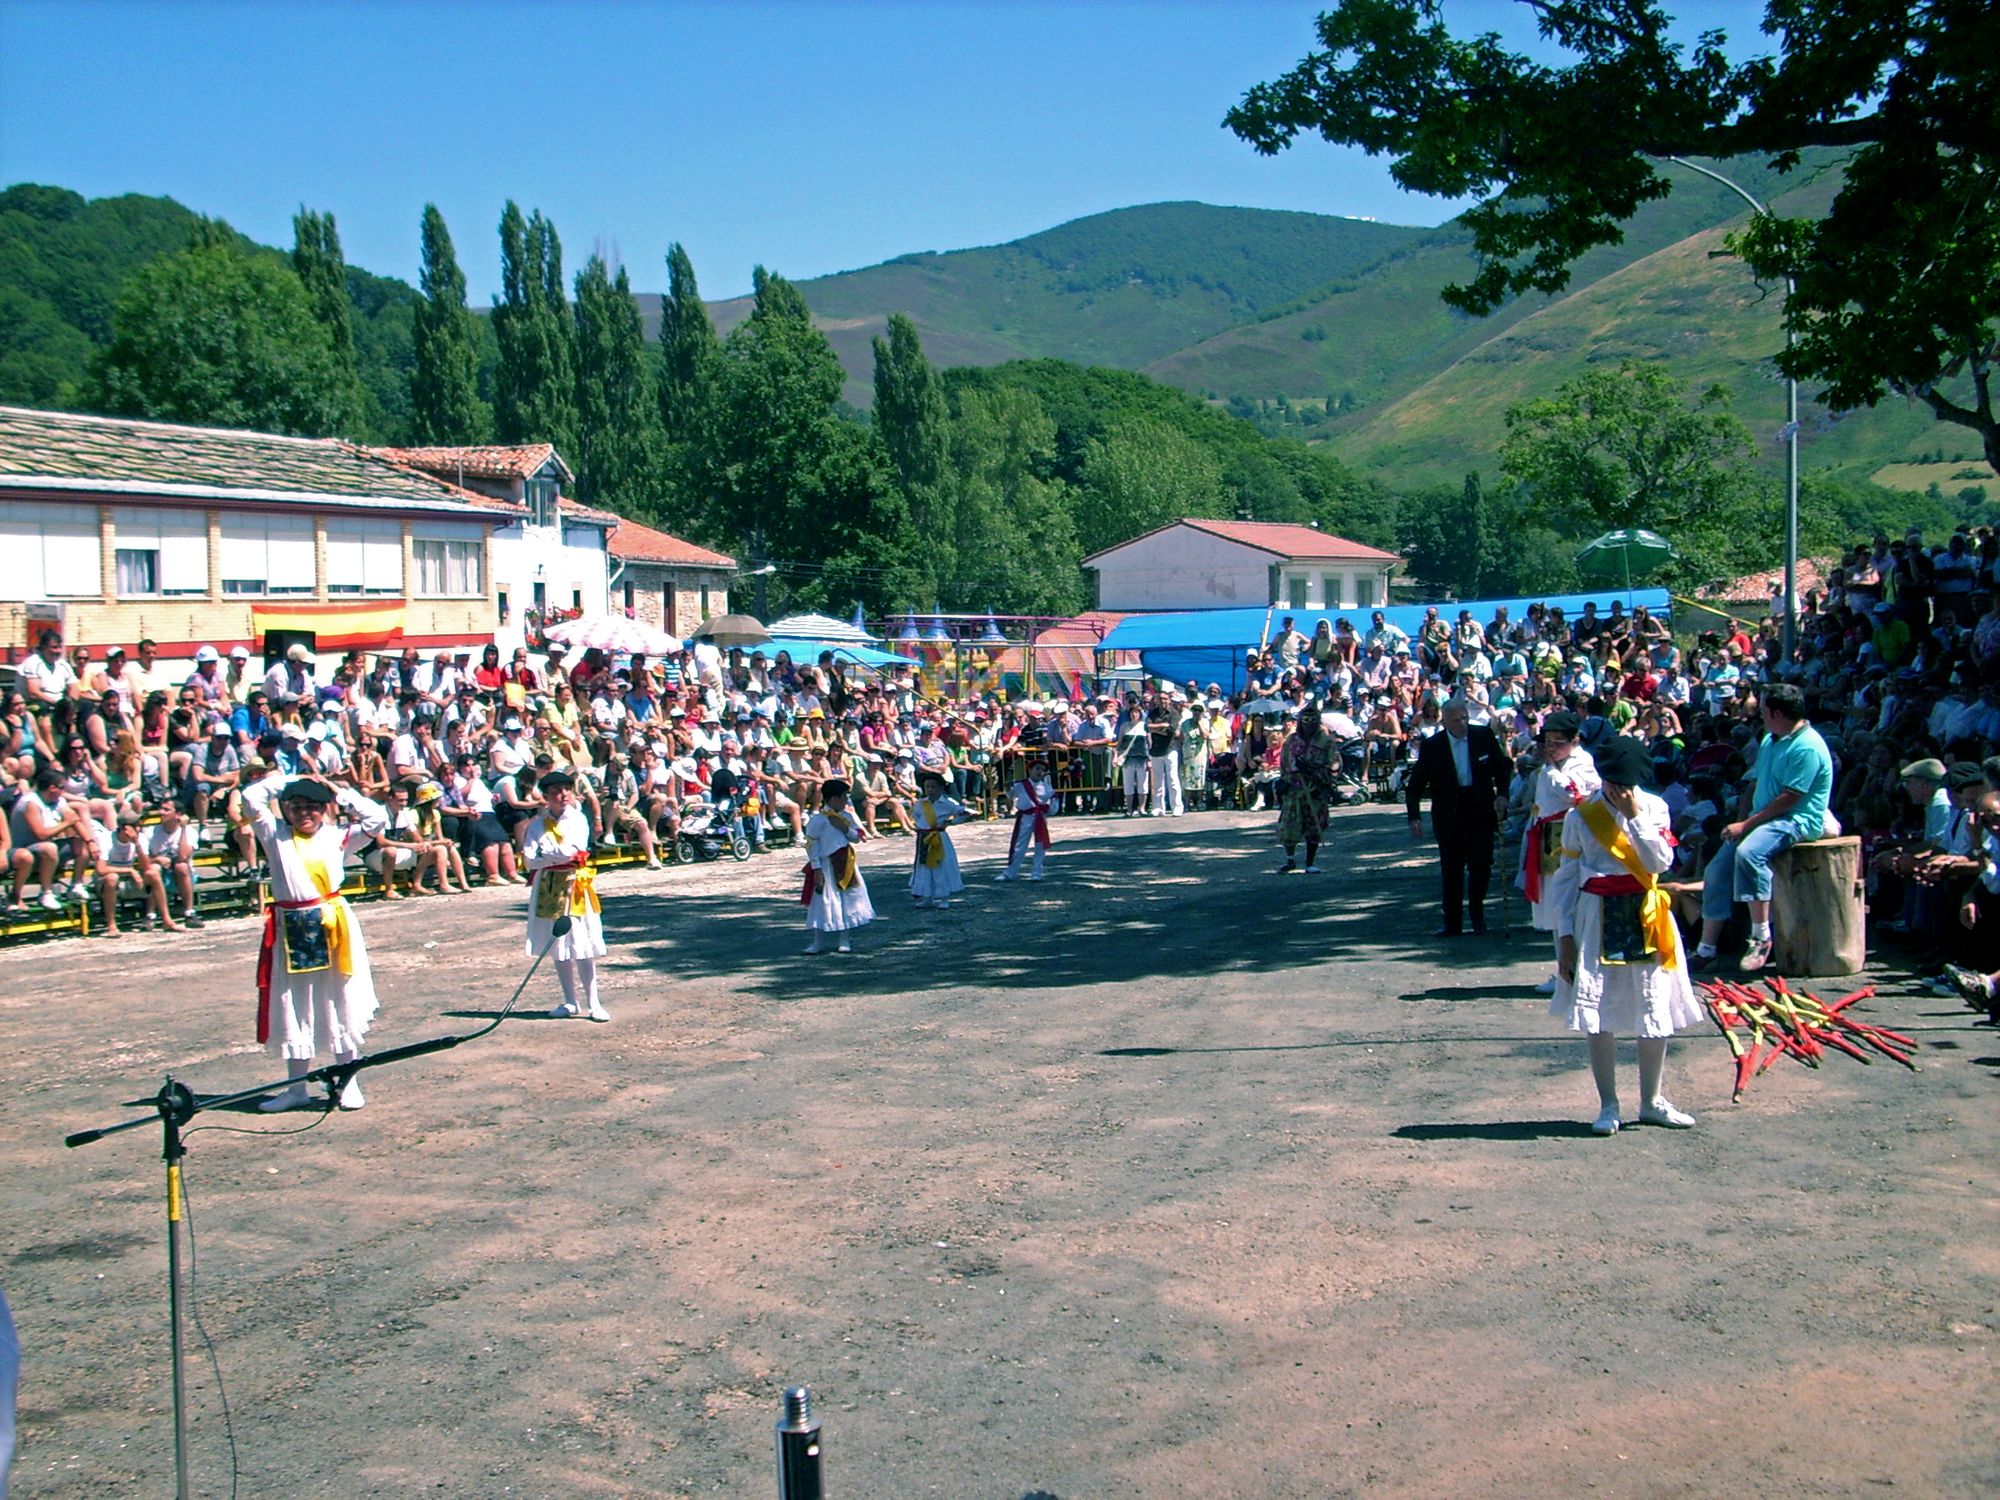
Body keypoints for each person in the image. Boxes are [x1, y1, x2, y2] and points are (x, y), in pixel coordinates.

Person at [1548, 736, 1701, 1135]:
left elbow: (1660, 862)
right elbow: (1565, 880)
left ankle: (1652, 1100)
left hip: (1646, 915)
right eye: (1613, 782)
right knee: (1598, 1011)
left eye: (1625, 783)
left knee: (1653, 1004)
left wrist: (1635, 817)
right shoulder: (1581, 816)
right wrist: (1564, 937)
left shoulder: (1655, 807)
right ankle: (1608, 1104)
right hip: (1596, 916)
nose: (1618, 790)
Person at [244, 776, 389, 1111]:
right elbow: (251, 797)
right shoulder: (275, 835)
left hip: (332, 926)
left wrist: (337, 790)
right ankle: (296, 1089)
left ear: (323, 810)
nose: (303, 814)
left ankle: (348, 1083)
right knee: (294, 1004)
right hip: (292, 929)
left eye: (311, 807)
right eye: (296, 807)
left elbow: (377, 819)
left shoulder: (337, 837)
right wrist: (290, 781)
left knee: (339, 999)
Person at [1693, 683, 1835, 973]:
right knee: (1716, 870)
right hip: (1762, 818)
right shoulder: (1771, 739)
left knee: (1749, 853)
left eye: (1764, 711)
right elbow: (1754, 784)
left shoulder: (1808, 746)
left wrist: (1747, 825)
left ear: (1777, 713)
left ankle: (1761, 937)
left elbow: (1790, 798)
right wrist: (1741, 821)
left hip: (1796, 819)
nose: (1760, 715)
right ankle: (1707, 949)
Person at [1405, 696, 1512, 936]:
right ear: (1445, 722)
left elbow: (1502, 767)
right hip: (1449, 813)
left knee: (1481, 864)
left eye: (1464, 718)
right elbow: (1416, 784)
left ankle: (1477, 913)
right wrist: (1414, 817)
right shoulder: (1433, 746)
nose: (1462, 724)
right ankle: (1452, 921)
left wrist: (1503, 794)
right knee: (1451, 868)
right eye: (1456, 720)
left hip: (1480, 809)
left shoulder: (1483, 736)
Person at [1520, 711, 1601, 993]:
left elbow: (1572, 793)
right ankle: (1563, 968)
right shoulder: (1551, 765)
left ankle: (1574, 971)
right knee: (1554, 903)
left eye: (1558, 742)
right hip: (1546, 834)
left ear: (1574, 741)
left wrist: (1552, 769)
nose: (1551, 747)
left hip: (1566, 836)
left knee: (1565, 901)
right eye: (1548, 742)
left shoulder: (1582, 764)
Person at [521, 770, 611, 1021]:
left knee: (582, 942)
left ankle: (594, 1002)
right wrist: (552, 855)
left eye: (566, 790)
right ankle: (571, 1001)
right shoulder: (537, 825)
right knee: (558, 943)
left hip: (574, 884)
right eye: (555, 792)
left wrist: (547, 853)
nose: (562, 795)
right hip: (548, 886)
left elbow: (573, 852)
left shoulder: (578, 819)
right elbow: (529, 859)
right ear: (546, 796)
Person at [802, 777, 874, 954]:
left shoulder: (847, 817)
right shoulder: (817, 820)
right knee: (821, 901)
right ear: (834, 799)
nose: (846, 801)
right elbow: (812, 845)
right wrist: (816, 868)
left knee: (847, 899)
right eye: (843, 797)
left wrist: (844, 828)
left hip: (845, 863)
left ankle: (844, 939)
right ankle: (818, 941)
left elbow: (857, 837)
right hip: (826, 865)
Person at [1276, 704, 1337, 874]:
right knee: (1289, 826)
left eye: (1313, 719)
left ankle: (1310, 862)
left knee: (1314, 827)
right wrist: (1286, 780)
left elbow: (1334, 766)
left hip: (1315, 790)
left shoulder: (1326, 742)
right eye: (1306, 719)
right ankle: (1290, 859)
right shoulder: (1291, 741)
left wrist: (1314, 771)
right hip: (1294, 790)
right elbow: (1284, 764)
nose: (1309, 723)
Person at [909, 767, 972, 909]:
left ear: (941, 788)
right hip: (924, 838)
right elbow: (916, 817)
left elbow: (965, 813)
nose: (930, 790)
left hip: (939, 838)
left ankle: (944, 898)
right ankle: (927, 897)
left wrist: (950, 822)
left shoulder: (948, 803)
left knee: (940, 866)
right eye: (927, 787)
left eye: (933, 787)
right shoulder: (921, 803)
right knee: (924, 866)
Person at [997, 753, 1056, 881]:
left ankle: (1036, 873)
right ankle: (1010, 872)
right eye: (1037, 769)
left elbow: (1053, 805)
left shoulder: (1047, 788)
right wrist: (1008, 787)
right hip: (1025, 817)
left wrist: (1049, 810)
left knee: (1040, 846)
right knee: (1019, 845)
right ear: (1030, 770)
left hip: (1040, 818)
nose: (1039, 772)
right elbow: (1011, 795)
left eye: (1042, 770)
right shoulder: (1021, 785)